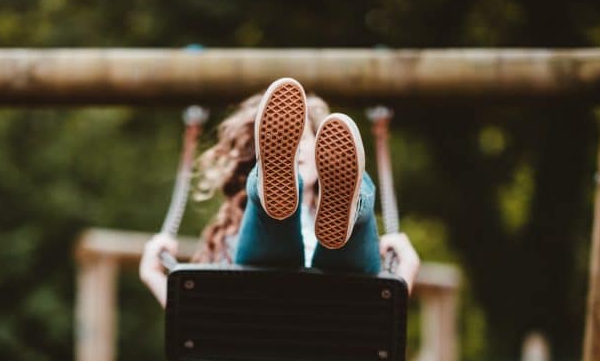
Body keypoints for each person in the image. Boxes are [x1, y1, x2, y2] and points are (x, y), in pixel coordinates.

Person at [140, 78, 419, 306]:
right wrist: (406, 270)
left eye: (302, 139)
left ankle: (350, 207)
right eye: (286, 142)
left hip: (337, 300)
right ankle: (269, 195)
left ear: (324, 148)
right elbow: (201, 320)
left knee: (346, 239)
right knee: (268, 227)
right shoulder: (230, 235)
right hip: (291, 302)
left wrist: (406, 267)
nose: (295, 148)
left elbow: (197, 326)